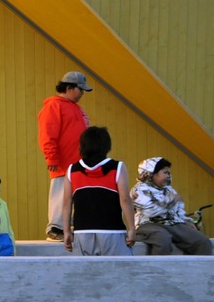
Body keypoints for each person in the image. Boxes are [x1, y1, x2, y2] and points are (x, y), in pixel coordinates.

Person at [62, 126, 135, 256]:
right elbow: (125, 200)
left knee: (87, 275)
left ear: (83, 146)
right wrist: (132, 229)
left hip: (82, 233)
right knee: (120, 274)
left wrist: (66, 231)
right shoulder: (117, 167)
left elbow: (67, 203)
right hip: (113, 232)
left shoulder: (72, 170)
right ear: (107, 146)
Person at [38, 71, 92, 242]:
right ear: (69, 88)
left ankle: (68, 227)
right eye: (80, 90)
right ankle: (55, 227)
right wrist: (52, 157)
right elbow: (47, 134)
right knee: (60, 194)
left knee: (75, 195)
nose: (82, 93)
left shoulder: (75, 107)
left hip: (78, 162)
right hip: (63, 161)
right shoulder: (54, 106)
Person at [131, 157, 212, 255]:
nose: (169, 176)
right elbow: (150, 211)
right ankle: (160, 269)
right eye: (165, 173)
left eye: (169, 173)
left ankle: (200, 269)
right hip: (148, 225)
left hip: (173, 224)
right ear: (151, 174)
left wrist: (186, 221)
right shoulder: (139, 189)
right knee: (162, 238)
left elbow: (179, 210)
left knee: (202, 241)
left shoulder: (169, 189)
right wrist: (172, 200)